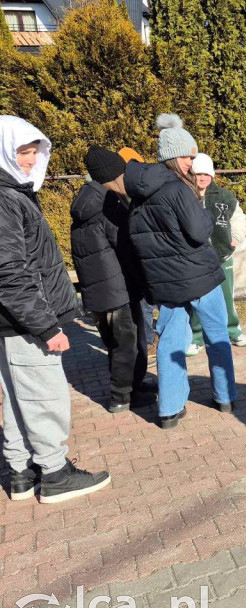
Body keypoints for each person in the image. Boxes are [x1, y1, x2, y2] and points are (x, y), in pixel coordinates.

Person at [0, 116, 111, 503]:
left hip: (16, 321)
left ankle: (19, 471)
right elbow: (10, 273)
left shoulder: (13, 194)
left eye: (34, 153)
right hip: (25, 322)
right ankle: (55, 472)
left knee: (18, 396)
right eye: (22, 153)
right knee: (43, 395)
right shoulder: (4, 199)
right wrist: (46, 326)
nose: (30, 161)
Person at [124, 114, 237, 428]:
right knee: (217, 337)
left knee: (171, 342)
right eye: (189, 156)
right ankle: (225, 397)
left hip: (165, 284)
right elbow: (200, 231)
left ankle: (170, 410)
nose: (193, 162)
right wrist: (202, 208)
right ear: (175, 156)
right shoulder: (178, 190)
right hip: (201, 277)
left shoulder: (137, 197)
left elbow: (137, 241)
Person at [70, 146, 152, 413]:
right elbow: (125, 243)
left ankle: (134, 385)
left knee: (127, 341)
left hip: (107, 287)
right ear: (113, 175)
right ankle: (121, 397)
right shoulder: (106, 205)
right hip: (115, 288)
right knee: (125, 343)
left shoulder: (88, 202)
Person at [186, 153, 246, 357]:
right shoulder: (185, 197)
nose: (202, 178)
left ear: (212, 175)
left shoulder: (225, 197)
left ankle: (233, 331)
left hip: (223, 257)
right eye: (198, 173)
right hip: (196, 260)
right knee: (197, 298)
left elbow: (239, 219)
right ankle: (195, 337)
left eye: (206, 173)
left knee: (226, 297)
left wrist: (235, 239)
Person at [118, 147, 157, 364]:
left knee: (150, 301)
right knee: (143, 302)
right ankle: (148, 340)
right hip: (135, 257)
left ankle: (150, 337)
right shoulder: (120, 193)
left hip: (145, 255)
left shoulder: (138, 192)